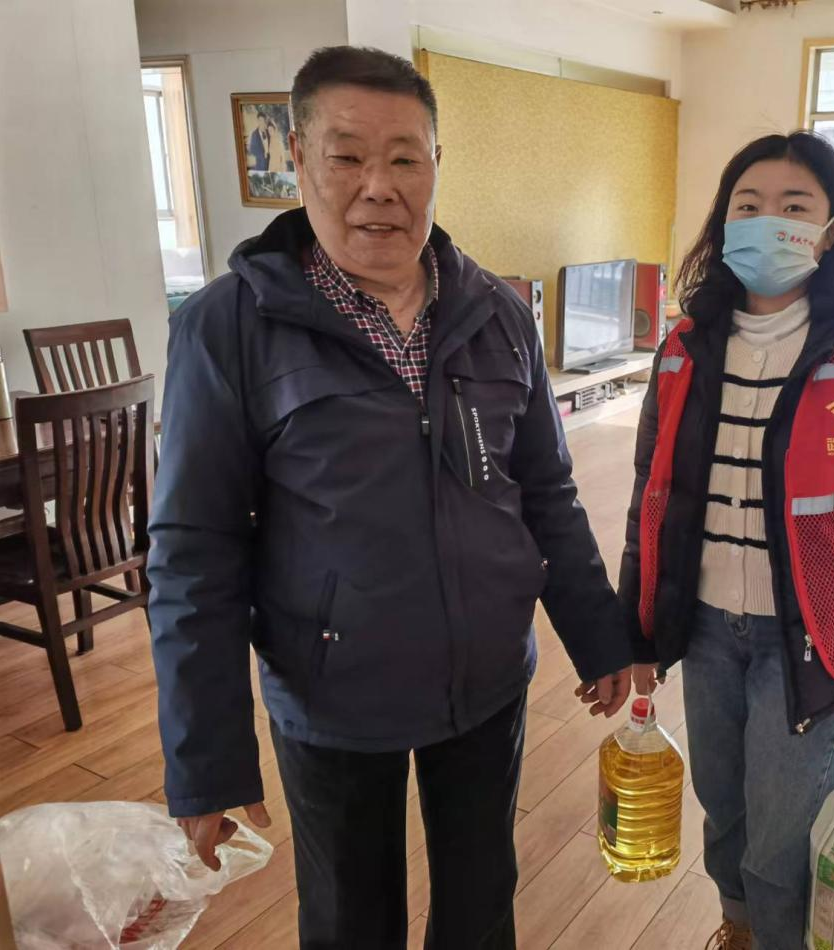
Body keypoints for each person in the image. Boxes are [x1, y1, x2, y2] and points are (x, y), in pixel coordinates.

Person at [148, 45, 633, 949]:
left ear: (437, 164)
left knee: (481, 904)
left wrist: (599, 637)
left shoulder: (498, 311)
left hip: (487, 678)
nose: (379, 187)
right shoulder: (226, 326)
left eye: (405, 158)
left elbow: (546, 494)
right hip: (332, 692)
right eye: (346, 156)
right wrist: (206, 758)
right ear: (298, 159)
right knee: (349, 922)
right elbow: (193, 549)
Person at [618, 131, 834, 950]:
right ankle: (738, 930)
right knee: (723, 809)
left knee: (782, 840)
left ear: (829, 233)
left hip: (806, 644)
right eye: (747, 206)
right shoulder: (683, 350)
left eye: (793, 207)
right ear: (724, 224)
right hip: (705, 632)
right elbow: (651, 500)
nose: (768, 222)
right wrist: (637, 634)